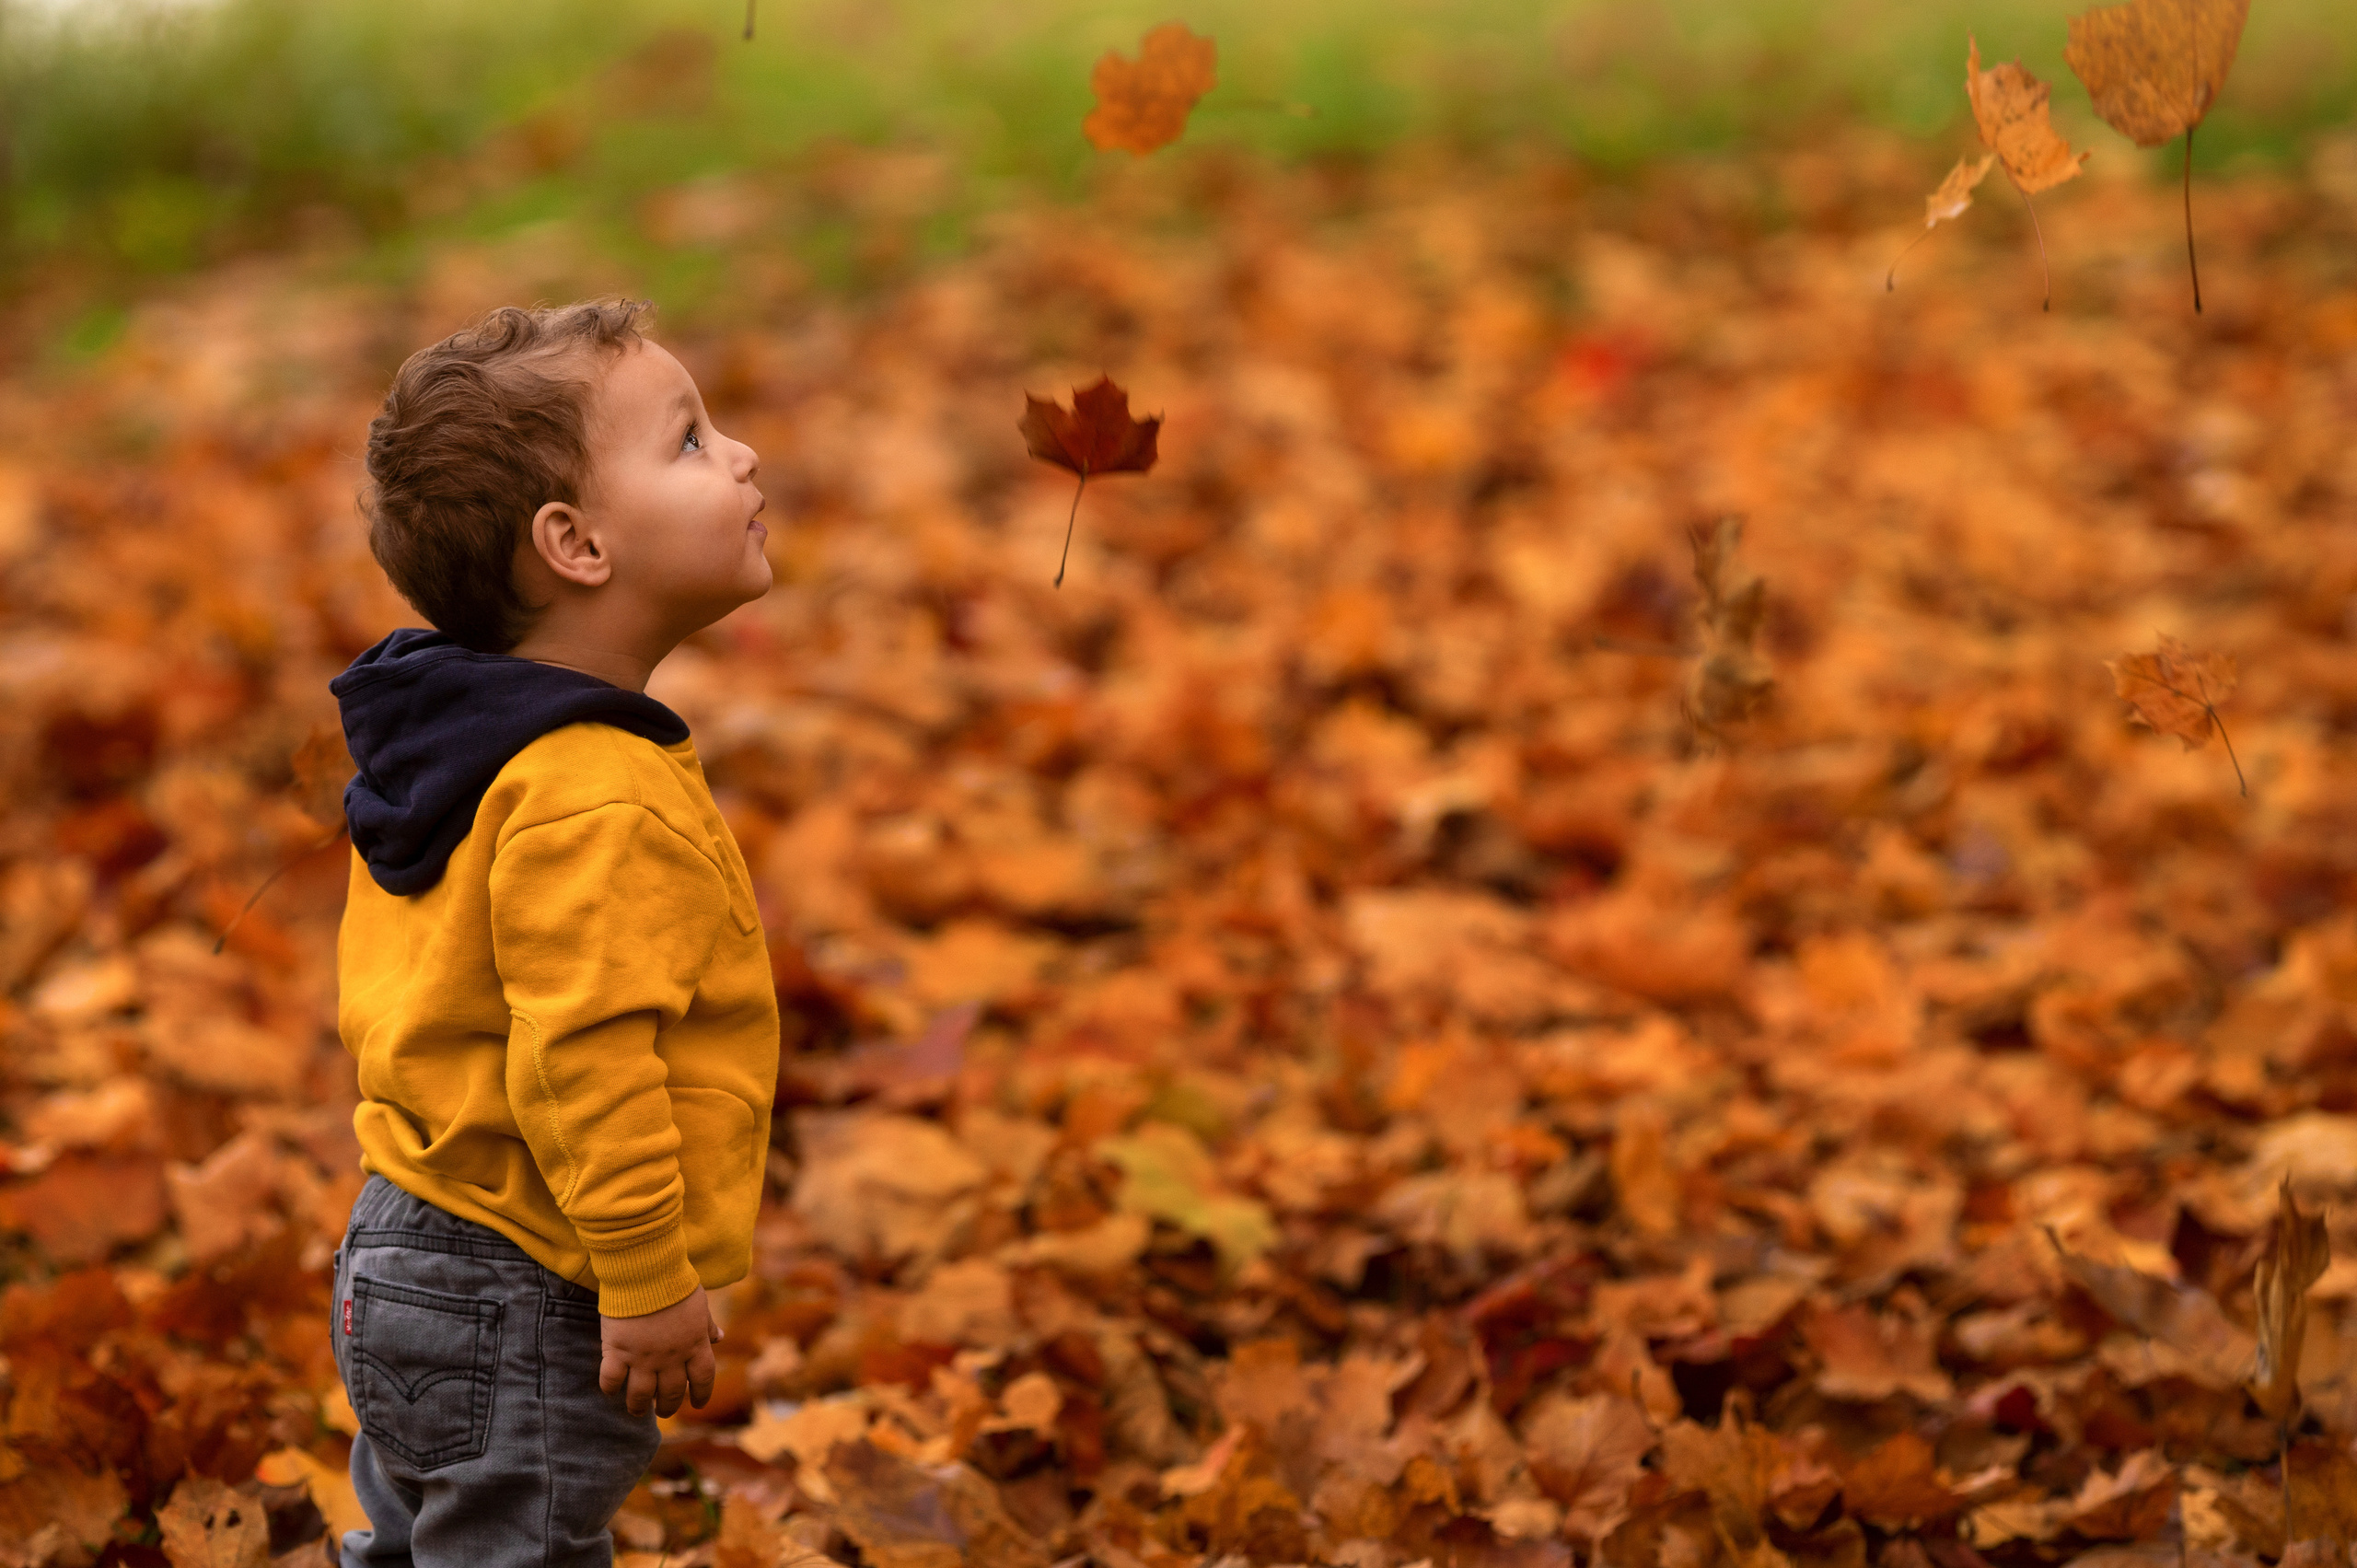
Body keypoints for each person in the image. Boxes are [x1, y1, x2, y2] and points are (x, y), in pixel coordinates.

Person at [326, 299, 780, 1568]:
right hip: (528, 1273)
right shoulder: (588, 785)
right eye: (689, 442)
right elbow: (580, 1051)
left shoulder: (463, 746)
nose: (740, 456)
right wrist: (644, 1275)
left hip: (401, 1237)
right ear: (575, 545)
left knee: (428, 1546)